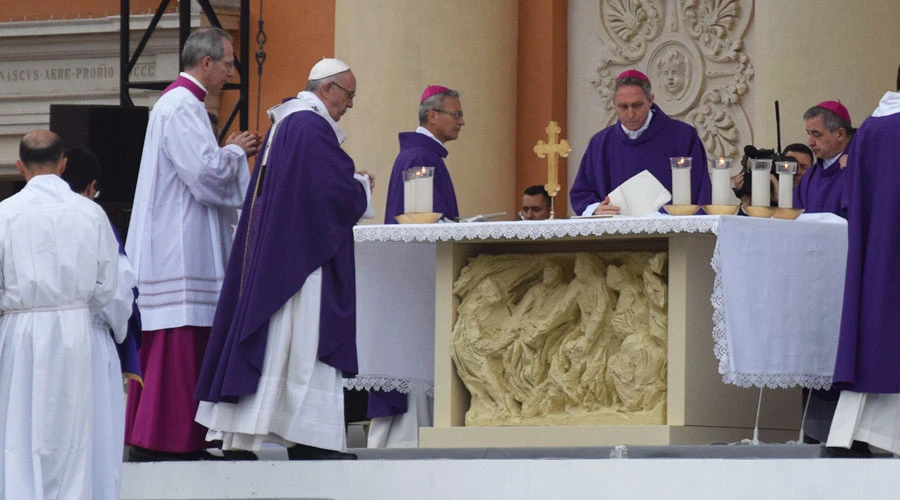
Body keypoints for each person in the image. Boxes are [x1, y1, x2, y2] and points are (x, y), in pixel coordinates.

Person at [195, 57, 373, 460]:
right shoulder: (309, 127)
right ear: (326, 89)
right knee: (303, 341)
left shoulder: (289, 123)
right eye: (347, 95)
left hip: (284, 253)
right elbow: (329, 193)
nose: (348, 104)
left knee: (276, 343)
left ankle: (242, 437)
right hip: (302, 261)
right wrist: (360, 186)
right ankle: (311, 439)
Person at [124, 26, 259, 461]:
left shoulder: (182, 105)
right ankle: (168, 440)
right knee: (177, 346)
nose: (231, 70)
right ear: (206, 63)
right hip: (178, 246)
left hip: (179, 238)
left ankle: (177, 438)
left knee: (181, 346)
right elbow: (204, 177)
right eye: (228, 62)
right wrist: (236, 152)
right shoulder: (181, 106)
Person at [0, 130, 120, 498]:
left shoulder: (4, 214)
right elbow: (107, 286)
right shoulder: (90, 213)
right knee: (72, 430)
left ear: (20, 166)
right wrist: (77, 308)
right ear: (63, 163)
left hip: (20, 329)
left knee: (19, 428)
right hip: (73, 330)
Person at [61, 146, 142, 498]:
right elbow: (119, 292)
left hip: (28, 336)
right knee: (94, 436)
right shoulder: (94, 218)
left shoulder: (15, 213)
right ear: (92, 185)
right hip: (89, 338)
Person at [827, 85, 900, 456]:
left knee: (879, 325)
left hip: (878, 250)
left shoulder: (871, 127)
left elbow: (852, 198)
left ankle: (862, 435)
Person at [569, 69, 710, 216]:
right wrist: (597, 209)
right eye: (623, 107)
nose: (630, 114)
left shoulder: (683, 137)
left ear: (650, 100)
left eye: (637, 105)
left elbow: (699, 191)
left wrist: (660, 218)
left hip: (670, 235)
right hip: (614, 236)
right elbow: (582, 193)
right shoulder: (600, 144)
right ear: (614, 104)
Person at [384, 85, 463, 223]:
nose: (461, 122)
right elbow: (420, 220)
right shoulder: (418, 159)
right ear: (432, 116)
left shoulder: (424, 154)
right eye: (456, 115)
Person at [793, 101, 853, 218]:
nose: (810, 142)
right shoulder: (809, 177)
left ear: (840, 134)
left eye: (816, 134)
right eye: (809, 134)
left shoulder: (857, 168)